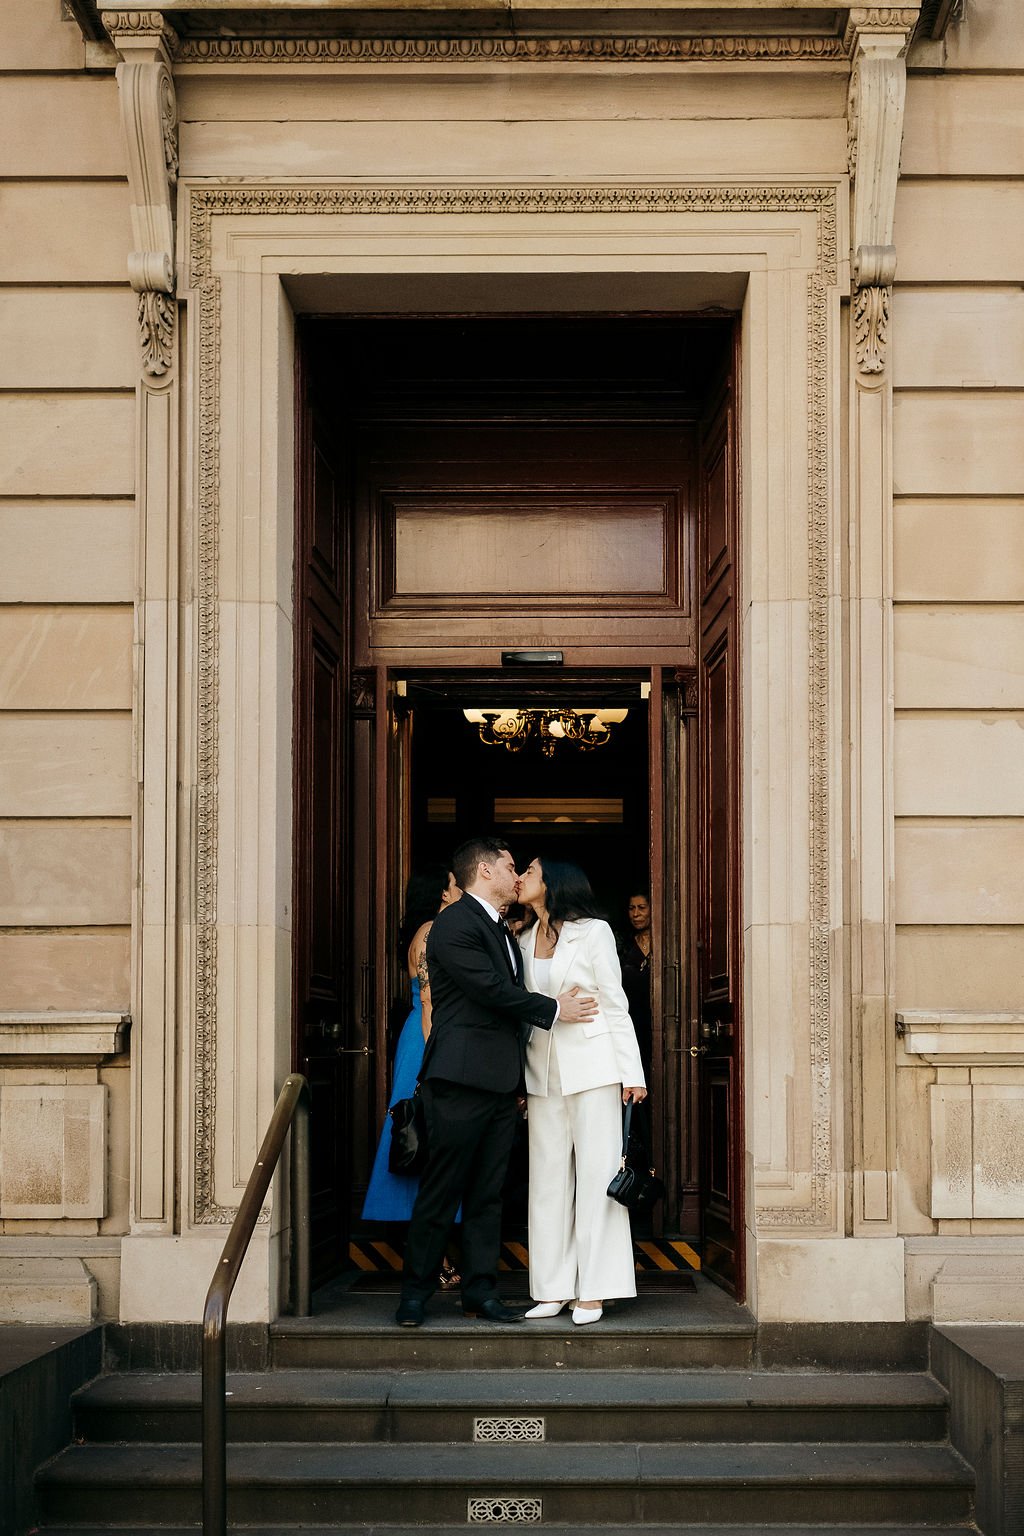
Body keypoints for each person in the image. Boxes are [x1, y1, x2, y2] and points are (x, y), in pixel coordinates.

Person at [396, 836, 599, 1328]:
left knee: (488, 1195)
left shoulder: (504, 930)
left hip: (501, 1082)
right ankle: (414, 1296)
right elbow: (489, 990)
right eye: (510, 866)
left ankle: (480, 1293)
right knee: (442, 1190)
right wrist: (554, 1008)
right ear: (485, 871)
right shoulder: (453, 924)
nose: (517, 874)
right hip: (459, 1077)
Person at [517, 857, 647, 1326]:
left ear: (552, 883)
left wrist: (632, 1074)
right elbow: (523, 1007)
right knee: (547, 1183)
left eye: (530, 872)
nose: (521, 878)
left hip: (595, 1068)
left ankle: (594, 1290)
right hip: (541, 1072)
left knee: (597, 1179)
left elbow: (614, 1004)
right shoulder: (522, 939)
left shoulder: (594, 932)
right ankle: (552, 1288)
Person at [361, 867, 462, 1286]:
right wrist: (437, 1058)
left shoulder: (433, 929)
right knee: (421, 1133)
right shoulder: (433, 931)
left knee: (424, 1136)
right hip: (427, 1038)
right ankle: (434, 1258)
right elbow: (429, 999)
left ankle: (432, 1252)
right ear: (444, 892)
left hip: (425, 1035)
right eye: (458, 883)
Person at [618, 890, 653, 1083]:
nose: (636, 914)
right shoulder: (622, 943)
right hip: (630, 1017)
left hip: (657, 1019)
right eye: (632, 908)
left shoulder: (666, 942)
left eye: (642, 908)